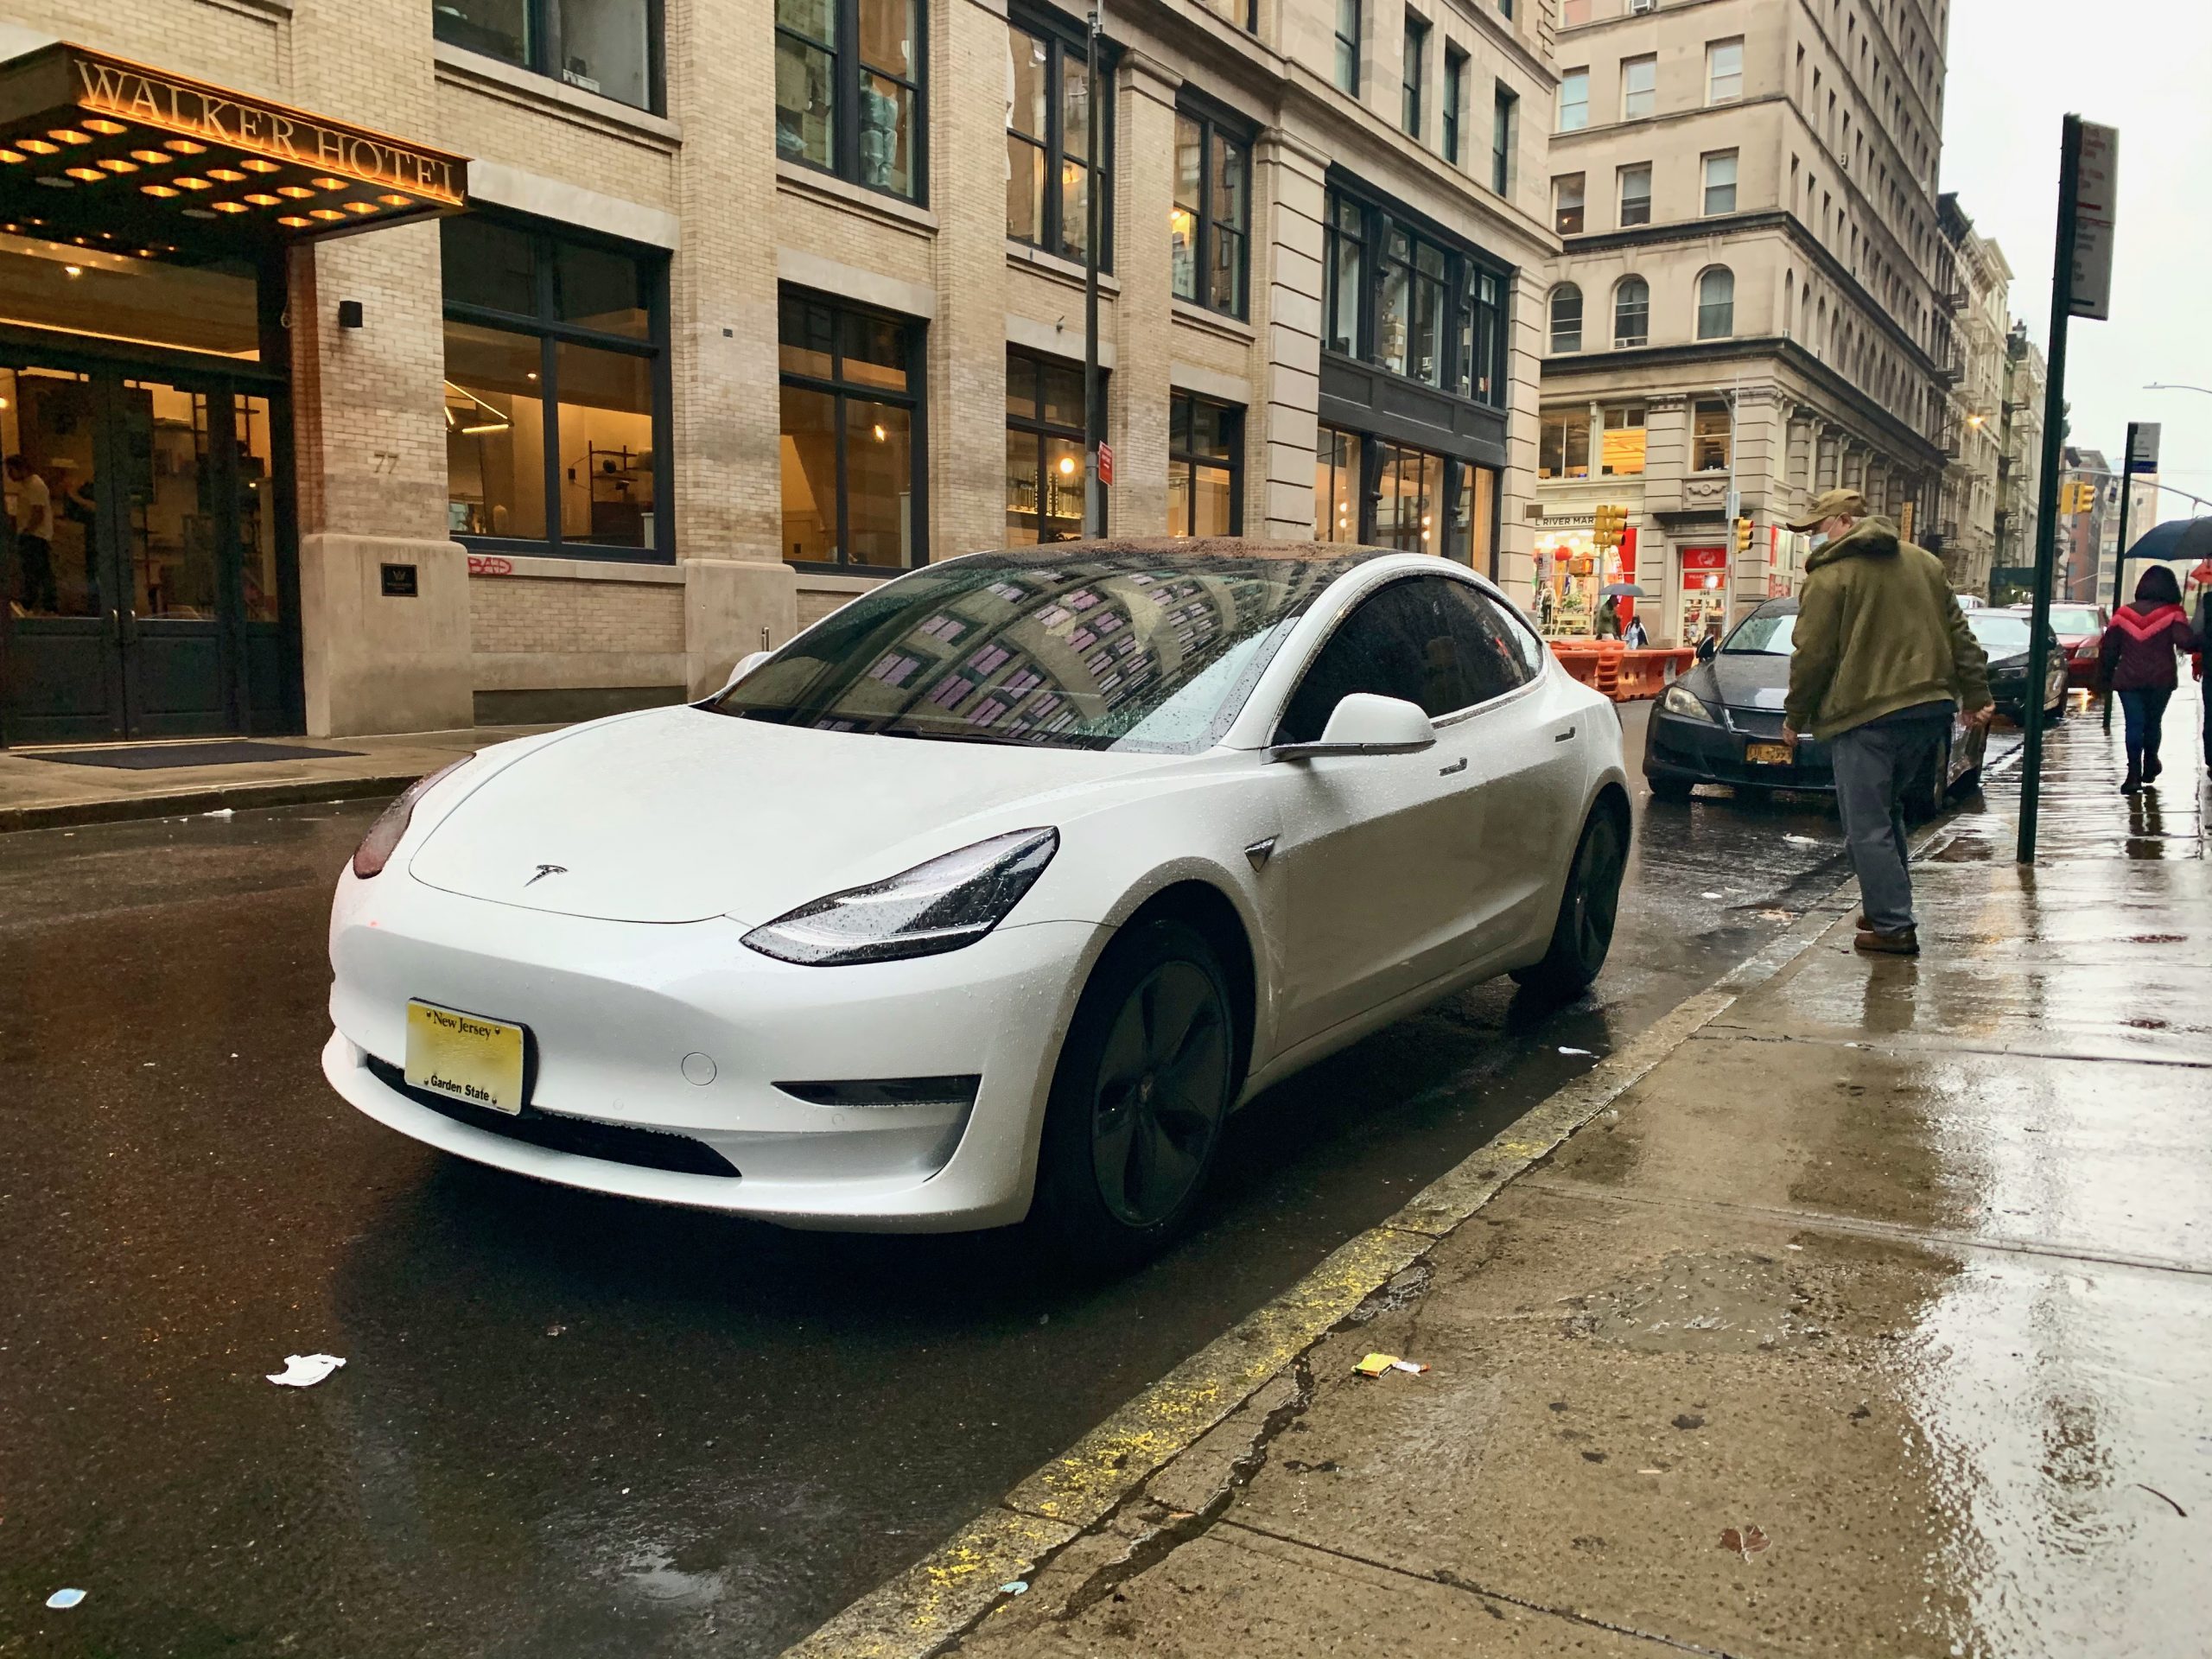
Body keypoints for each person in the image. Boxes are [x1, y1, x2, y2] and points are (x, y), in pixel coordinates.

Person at [1781, 487, 1993, 957]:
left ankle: (1894, 926)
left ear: (1842, 521)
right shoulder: (1923, 563)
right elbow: (1960, 634)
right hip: (1928, 709)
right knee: (1888, 810)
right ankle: (1885, 907)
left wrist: (1795, 715)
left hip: (1866, 713)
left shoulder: (1831, 576)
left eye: (1817, 529)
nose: (1813, 539)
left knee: (1866, 823)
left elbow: (1813, 654)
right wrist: (1975, 694)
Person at [2095, 564, 2200, 794]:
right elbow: (2186, 642)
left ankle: (2133, 774)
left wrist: (2103, 679)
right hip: (2160, 680)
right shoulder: (2174, 612)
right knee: (2153, 723)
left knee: (2133, 724)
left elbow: (2109, 649)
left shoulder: (2123, 614)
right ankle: (2150, 762)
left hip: (2128, 680)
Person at [5, 454, 55, 613]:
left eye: (11, 470)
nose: (9, 474)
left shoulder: (35, 485)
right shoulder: (26, 485)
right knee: (33, 569)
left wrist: (27, 531)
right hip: (31, 534)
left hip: (36, 535)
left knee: (36, 570)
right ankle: (37, 602)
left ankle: (41, 603)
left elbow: (38, 513)